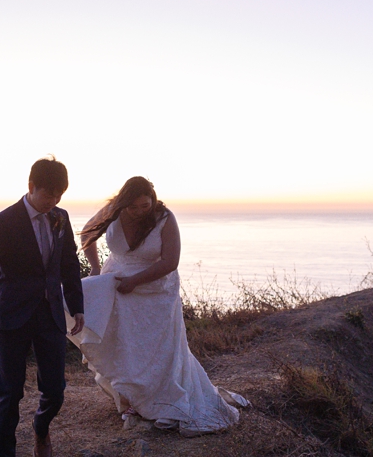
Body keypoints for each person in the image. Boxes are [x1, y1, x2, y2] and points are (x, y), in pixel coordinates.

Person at [69, 176, 247, 436]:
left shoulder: (164, 218)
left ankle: (164, 401)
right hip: (118, 287)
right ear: (123, 203)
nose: (140, 211)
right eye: (134, 207)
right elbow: (87, 232)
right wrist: (96, 268)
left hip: (155, 291)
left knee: (155, 349)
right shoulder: (112, 211)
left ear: (152, 200)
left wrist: (135, 281)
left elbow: (170, 262)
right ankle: (130, 402)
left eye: (145, 205)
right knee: (123, 345)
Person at [0, 157, 85, 457]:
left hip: (50, 315)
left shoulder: (61, 218)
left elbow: (69, 265)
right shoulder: (4, 221)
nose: (53, 202)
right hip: (12, 316)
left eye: (59, 195)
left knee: (56, 389)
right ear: (31, 186)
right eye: (48, 194)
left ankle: (41, 426)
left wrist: (77, 307)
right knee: (10, 392)